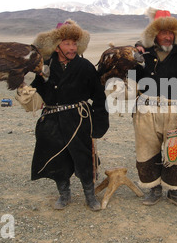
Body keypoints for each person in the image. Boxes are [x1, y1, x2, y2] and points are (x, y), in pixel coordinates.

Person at [16, 19, 109, 211]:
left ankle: (90, 196)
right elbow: (37, 89)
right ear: (57, 46)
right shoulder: (45, 67)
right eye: (67, 43)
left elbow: (99, 97)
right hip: (52, 120)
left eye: (74, 43)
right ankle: (64, 194)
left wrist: (99, 125)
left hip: (79, 120)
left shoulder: (85, 67)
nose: (72, 48)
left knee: (84, 158)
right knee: (56, 157)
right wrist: (26, 91)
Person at [133, 8, 177, 208]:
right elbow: (133, 81)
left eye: (171, 32)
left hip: (175, 109)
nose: (168, 36)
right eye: (163, 32)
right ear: (154, 34)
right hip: (147, 109)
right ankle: (154, 188)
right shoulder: (144, 54)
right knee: (147, 149)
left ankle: (174, 191)